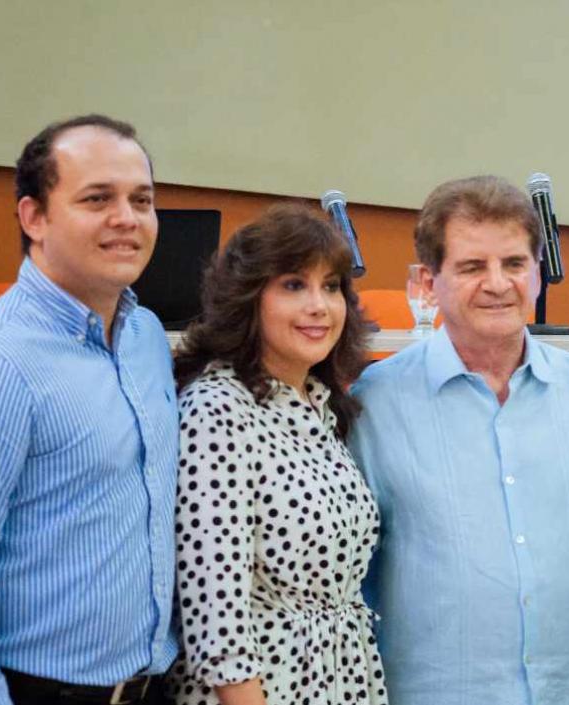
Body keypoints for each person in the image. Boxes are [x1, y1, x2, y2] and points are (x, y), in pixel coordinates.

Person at [348, 175, 569, 705]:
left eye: (515, 264)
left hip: (562, 692)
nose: (498, 283)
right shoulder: (374, 404)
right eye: (473, 267)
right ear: (430, 283)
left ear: (538, 275)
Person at [0, 115, 177, 705]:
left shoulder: (145, 336)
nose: (127, 219)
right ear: (34, 217)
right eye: (97, 199)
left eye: (142, 199)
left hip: (149, 685)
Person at [167, 204, 386, 705]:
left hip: (341, 678)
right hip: (262, 690)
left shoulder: (319, 403)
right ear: (248, 299)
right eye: (293, 285)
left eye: (331, 287)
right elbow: (216, 622)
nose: (320, 306)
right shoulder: (216, 411)